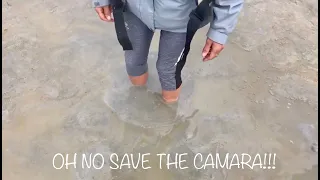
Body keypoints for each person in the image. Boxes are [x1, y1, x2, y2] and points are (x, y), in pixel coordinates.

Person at [92, 0, 243, 103]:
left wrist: (220, 30)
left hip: (181, 15)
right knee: (133, 61)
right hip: (133, 8)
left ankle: (168, 116)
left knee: (168, 70)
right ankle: (137, 99)